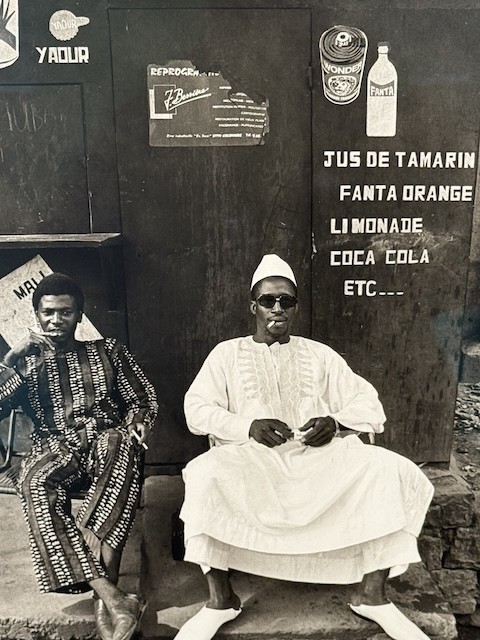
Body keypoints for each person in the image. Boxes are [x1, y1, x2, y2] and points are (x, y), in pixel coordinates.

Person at [175, 254, 435, 640]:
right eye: (268, 300)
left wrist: (336, 422)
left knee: (391, 470)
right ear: (253, 307)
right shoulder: (227, 354)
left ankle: (373, 596)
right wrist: (248, 426)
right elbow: (196, 410)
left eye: (287, 301)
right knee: (204, 474)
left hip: (318, 459)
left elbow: (369, 404)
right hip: (253, 458)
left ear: (295, 307)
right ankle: (221, 600)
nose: (277, 308)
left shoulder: (318, 354)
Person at [0, 273, 158, 640]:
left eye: (65, 313)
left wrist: (138, 421)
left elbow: (141, 398)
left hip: (104, 439)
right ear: (36, 315)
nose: (56, 321)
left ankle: (108, 600)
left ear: (79, 316)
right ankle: (113, 597)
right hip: (54, 448)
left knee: (119, 444)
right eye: (48, 313)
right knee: (34, 480)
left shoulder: (108, 351)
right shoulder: (23, 365)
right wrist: (10, 358)